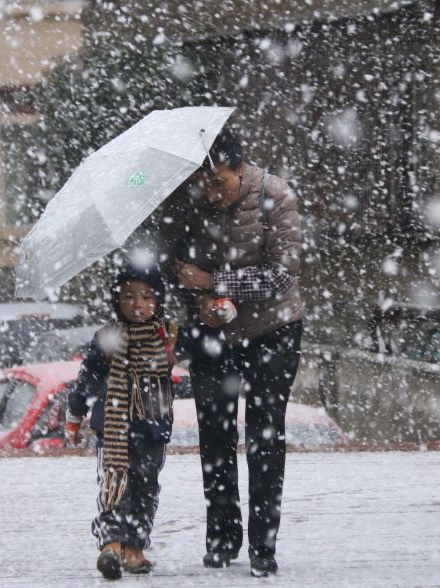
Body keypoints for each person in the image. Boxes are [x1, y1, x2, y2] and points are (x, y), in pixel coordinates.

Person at [170, 129, 303, 577]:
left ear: (240, 170)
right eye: (204, 182)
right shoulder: (192, 202)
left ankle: (263, 545)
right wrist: (199, 302)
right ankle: (222, 537)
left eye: (219, 182)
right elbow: (181, 268)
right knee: (215, 438)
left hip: (273, 330)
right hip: (214, 333)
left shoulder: (276, 195)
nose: (211, 191)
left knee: (266, 436)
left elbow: (282, 277)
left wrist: (216, 285)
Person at [65, 263, 184, 580]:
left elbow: (195, 361)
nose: (138, 304)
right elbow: (87, 379)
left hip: (153, 428)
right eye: (129, 296)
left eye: (147, 297)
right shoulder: (107, 337)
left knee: (146, 489)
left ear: (158, 301)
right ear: (116, 301)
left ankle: (134, 548)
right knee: (115, 486)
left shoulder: (168, 336)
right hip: (114, 428)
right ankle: (111, 545)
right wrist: (75, 414)